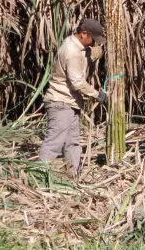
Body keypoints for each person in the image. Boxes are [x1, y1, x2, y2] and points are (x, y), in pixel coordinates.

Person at [39, 18, 108, 175]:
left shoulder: (74, 44)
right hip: (60, 103)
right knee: (54, 143)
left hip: (69, 104)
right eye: (92, 39)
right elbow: (77, 82)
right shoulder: (71, 51)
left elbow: (84, 56)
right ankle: (40, 175)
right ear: (84, 34)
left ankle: (73, 174)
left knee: (72, 142)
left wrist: (98, 52)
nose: (93, 43)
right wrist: (97, 95)